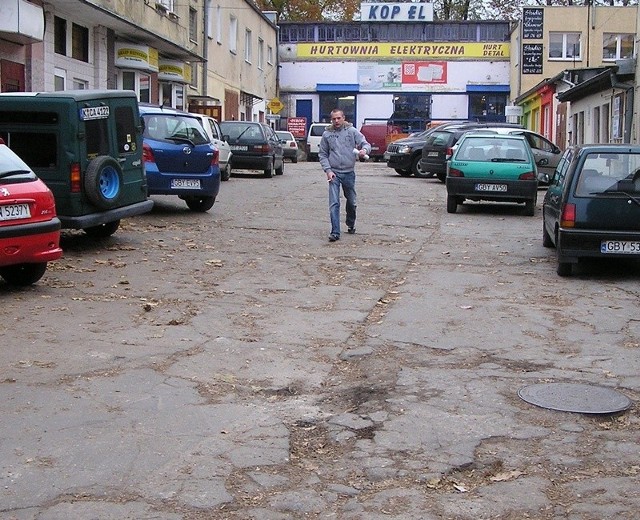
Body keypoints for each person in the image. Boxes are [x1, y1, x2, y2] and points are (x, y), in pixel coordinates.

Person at [318, 109, 371, 242]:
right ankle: (335, 232)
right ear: (331, 119)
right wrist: (328, 170)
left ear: (343, 118)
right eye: (334, 119)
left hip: (349, 172)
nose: (336, 121)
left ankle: (350, 223)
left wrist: (364, 150)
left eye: (338, 118)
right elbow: (323, 154)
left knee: (352, 202)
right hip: (334, 173)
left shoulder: (351, 131)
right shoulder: (327, 134)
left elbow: (365, 143)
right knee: (334, 203)